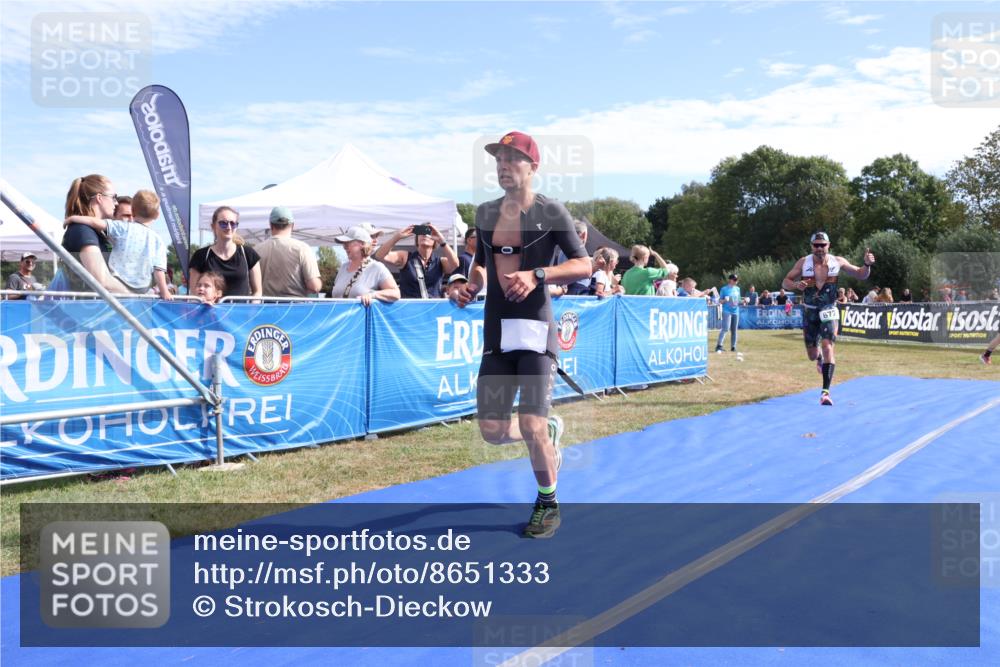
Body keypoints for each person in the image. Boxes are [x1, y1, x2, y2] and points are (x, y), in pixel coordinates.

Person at [450, 131, 590, 539]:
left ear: (533, 167)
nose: (503, 166)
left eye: (513, 159)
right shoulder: (486, 213)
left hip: (535, 332)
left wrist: (538, 274)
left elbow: (584, 266)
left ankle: (547, 503)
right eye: (498, 160)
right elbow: (481, 264)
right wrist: (469, 286)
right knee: (492, 431)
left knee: (530, 424)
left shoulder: (552, 212)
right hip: (497, 331)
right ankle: (549, 433)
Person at [782, 231, 875, 406]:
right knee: (812, 354)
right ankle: (818, 360)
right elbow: (785, 282)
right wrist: (795, 285)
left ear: (828, 245)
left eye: (822, 245)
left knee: (827, 346)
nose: (819, 248)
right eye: (816, 245)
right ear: (811, 247)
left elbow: (861, 274)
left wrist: (867, 264)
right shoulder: (803, 262)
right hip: (810, 311)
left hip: (829, 309)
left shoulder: (837, 261)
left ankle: (825, 392)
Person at [65, 189, 172, 300]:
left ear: (133, 211)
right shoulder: (159, 241)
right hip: (142, 287)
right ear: (157, 215)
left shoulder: (124, 227)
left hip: (118, 280)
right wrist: (164, 292)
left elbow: (95, 222)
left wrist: (73, 218)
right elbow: (159, 271)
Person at [53, 174, 128, 294]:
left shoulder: (96, 232)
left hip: (96, 308)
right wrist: (134, 294)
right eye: (114, 197)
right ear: (99, 198)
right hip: (87, 309)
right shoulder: (82, 230)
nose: (116, 203)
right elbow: (102, 280)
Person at [189, 206, 262, 299]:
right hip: (210, 312)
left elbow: (257, 292)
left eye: (233, 223)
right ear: (213, 226)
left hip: (241, 312)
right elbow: (194, 293)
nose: (228, 227)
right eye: (223, 223)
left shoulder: (249, 254)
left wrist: (252, 311)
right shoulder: (201, 256)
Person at [375, 223, 459, 298]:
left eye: (429, 233)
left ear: (435, 240)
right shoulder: (405, 257)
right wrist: (396, 237)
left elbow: (455, 264)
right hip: (411, 309)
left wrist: (442, 241)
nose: (425, 235)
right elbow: (380, 256)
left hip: (432, 309)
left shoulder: (440, 262)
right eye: (421, 232)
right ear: (417, 239)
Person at [254, 206, 322, 298]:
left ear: (270, 225)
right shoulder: (302, 248)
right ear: (293, 225)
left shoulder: (256, 250)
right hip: (294, 308)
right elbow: (314, 286)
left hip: (265, 307)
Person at [331, 226, 400, 306]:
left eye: (348, 243)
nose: (344, 247)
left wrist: (372, 295)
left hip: (362, 318)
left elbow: (395, 293)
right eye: (344, 244)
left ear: (362, 244)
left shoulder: (377, 267)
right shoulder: (343, 267)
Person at [554, 219, 592, 295]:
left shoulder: (563, 249)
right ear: (584, 234)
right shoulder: (576, 250)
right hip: (576, 289)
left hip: (567, 287)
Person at [715, 274, 741, 353]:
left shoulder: (737, 289)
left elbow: (738, 300)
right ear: (730, 280)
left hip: (735, 311)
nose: (736, 281)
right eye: (735, 280)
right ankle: (719, 346)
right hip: (727, 311)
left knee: (734, 330)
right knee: (725, 328)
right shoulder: (724, 289)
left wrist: (745, 301)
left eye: (736, 280)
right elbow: (719, 301)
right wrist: (725, 300)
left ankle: (733, 347)